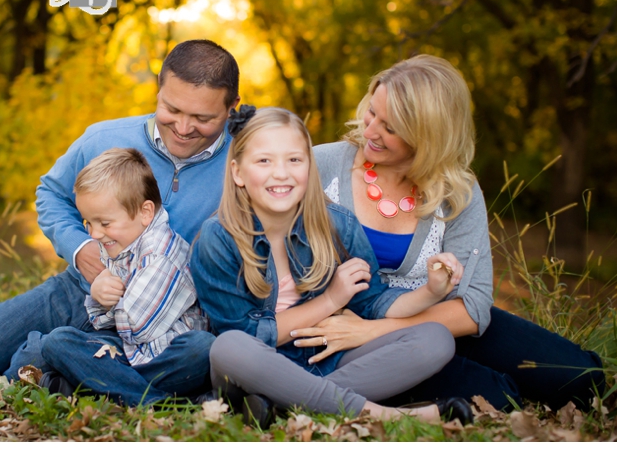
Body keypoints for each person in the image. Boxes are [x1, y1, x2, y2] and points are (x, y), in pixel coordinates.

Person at [0, 39, 241, 380]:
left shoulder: (249, 163)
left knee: (56, 361)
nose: (184, 128)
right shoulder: (103, 139)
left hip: (162, 317)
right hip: (81, 287)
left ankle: (45, 351)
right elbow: (51, 194)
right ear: (158, 91)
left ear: (232, 107)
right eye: (172, 110)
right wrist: (80, 248)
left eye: (202, 118)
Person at [297, 54, 605, 411]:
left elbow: (473, 307)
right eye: (372, 112)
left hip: (433, 319)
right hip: (347, 323)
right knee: (496, 396)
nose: (369, 131)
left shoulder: (458, 193)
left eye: (390, 127)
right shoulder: (323, 167)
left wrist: (376, 330)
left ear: (429, 136)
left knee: (582, 379)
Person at [191, 107, 474, 426]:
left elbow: (373, 303)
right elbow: (247, 335)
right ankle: (385, 415)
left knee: (435, 338)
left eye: (294, 160)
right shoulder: (219, 238)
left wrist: (431, 291)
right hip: (253, 367)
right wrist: (330, 301)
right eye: (264, 161)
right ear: (238, 172)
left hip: (326, 360)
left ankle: (283, 404)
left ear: (309, 167)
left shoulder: (338, 224)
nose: (281, 173)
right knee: (229, 347)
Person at [4, 148, 213, 404]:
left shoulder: (161, 255)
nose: (94, 234)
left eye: (104, 223)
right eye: (87, 223)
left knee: (201, 348)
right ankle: (112, 386)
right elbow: (103, 323)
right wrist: (98, 294)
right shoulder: (119, 242)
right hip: (126, 354)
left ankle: (149, 400)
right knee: (54, 343)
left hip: (164, 360)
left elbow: (136, 328)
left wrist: (105, 302)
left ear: (145, 213)